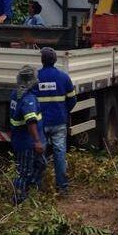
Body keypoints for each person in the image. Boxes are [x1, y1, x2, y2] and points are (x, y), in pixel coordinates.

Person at [35, 46, 76, 194]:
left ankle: (38, 187)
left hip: (41, 123)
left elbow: (30, 102)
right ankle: (62, 188)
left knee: (39, 155)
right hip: (59, 122)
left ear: (42, 60)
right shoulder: (64, 77)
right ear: (55, 60)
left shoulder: (35, 78)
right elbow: (72, 100)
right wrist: (64, 112)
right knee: (59, 154)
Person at [9, 65, 46, 203]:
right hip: (27, 142)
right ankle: (19, 199)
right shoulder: (28, 99)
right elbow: (31, 121)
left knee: (41, 164)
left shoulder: (15, 94)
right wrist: (37, 141)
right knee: (24, 172)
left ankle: (29, 191)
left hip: (20, 139)